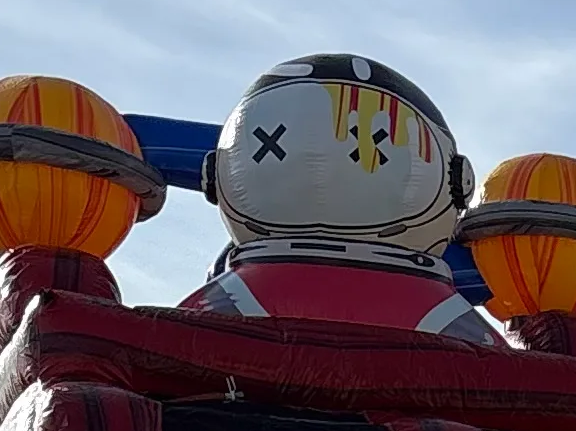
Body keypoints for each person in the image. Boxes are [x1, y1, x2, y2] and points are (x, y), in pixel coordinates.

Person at [183, 52, 498, 340]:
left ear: (216, 172)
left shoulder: (231, 298)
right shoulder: (440, 311)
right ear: (459, 181)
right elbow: (504, 375)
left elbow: (165, 350)